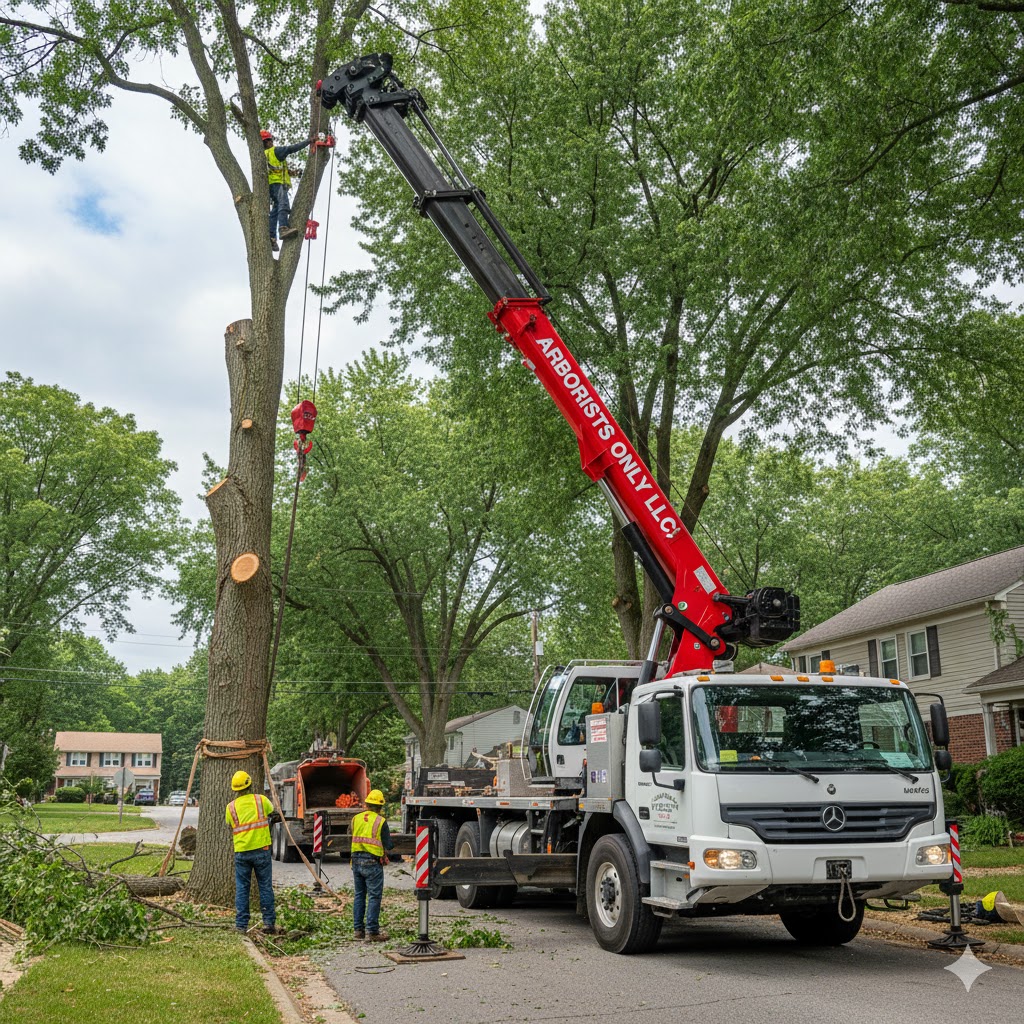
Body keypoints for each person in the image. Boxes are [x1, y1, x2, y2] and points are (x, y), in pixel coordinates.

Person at [225, 769, 280, 935]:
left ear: (235, 789)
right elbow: (273, 814)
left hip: (242, 852)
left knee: (242, 888)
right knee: (265, 887)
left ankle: (241, 925)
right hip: (261, 849)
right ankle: (268, 923)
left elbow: (230, 825)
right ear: (250, 784)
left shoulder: (231, 807)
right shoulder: (261, 800)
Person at [350, 789, 394, 941]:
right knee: (374, 896)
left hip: (356, 860)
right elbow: (389, 845)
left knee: (359, 895)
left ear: (366, 804)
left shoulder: (356, 818)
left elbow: (352, 835)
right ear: (380, 807)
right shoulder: (380, 821)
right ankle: (372, 932)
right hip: (372, 863)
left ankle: (358, 931)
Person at [261, 129, 313, 251]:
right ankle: (283, 228)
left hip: (271, 185)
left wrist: (294, 173)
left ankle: (271, 237)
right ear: (268, 141)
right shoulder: (275, 151)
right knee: (283, 203)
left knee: (275, 210)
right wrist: (309, 141)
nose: (272, 142)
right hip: (278, 184)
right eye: (271, 140)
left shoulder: (264, 155)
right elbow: (291, 149)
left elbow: (278, 169)